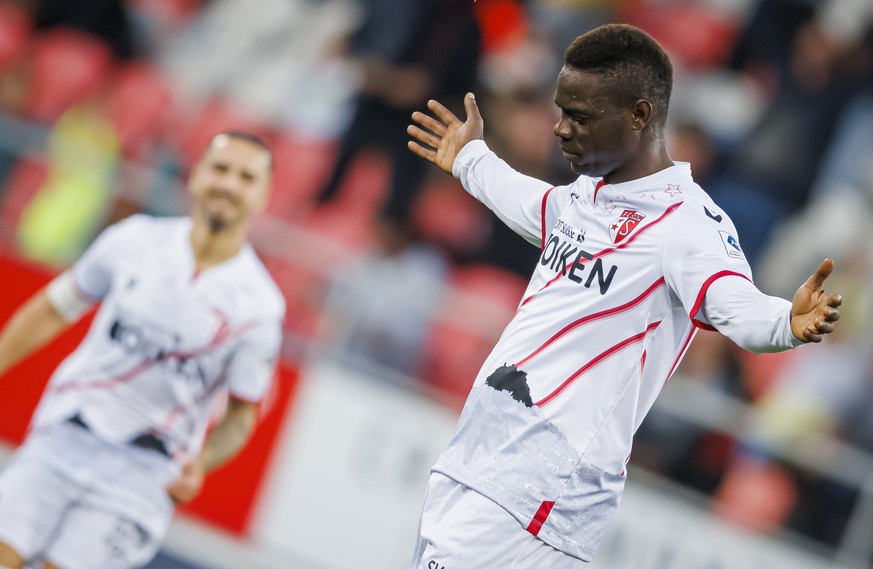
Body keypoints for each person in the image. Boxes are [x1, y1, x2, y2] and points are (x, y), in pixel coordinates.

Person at [406, 24, 842, 567]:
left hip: (542, 487)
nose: (561, 130)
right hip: (477, 452)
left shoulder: (690, 224)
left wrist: (786, 323)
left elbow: (736, 303)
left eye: (580, 117)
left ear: (639, 115)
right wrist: (472, 160)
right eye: (561, 111)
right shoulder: (586, 194)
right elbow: (530, 202)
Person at [0, 131, 285, 569]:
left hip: (143, 474)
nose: (229, 184)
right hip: (65, 432)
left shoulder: (260, 307)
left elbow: (242, 414)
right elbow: (54, 309)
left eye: (246, 177)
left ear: (263, 196)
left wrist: (202, 462)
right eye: (221, 169)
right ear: (196, 177)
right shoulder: (133, 241)